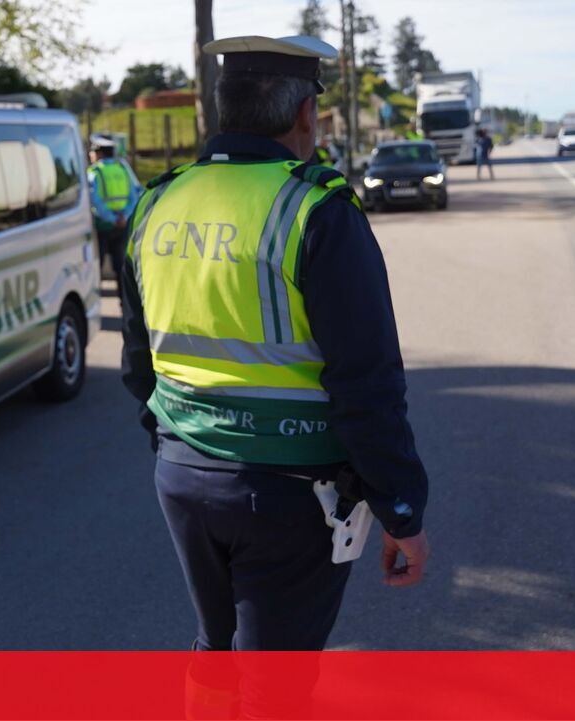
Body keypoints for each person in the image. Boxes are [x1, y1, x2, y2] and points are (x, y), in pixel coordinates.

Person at [120, 34, 433, 659]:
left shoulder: (156, 202)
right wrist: (402, 511)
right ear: (303, 114)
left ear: (221, 109)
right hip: (290, 497)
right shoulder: (316, 210)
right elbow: (367, 386)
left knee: (214, 649)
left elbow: (138, 365)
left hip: (181, 476)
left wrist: (177, 445)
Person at [87, 134, 141, 279]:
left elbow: (94, 201)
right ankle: (124, 300)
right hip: (122, 224)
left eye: (92, 152)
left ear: (99, 153)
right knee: (121, 266)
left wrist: (111, 218)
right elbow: (133, 196)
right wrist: (124, 217)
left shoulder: (95, 172)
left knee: (97, 266)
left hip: (103, 225)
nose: (90, 155)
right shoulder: (122, 169)